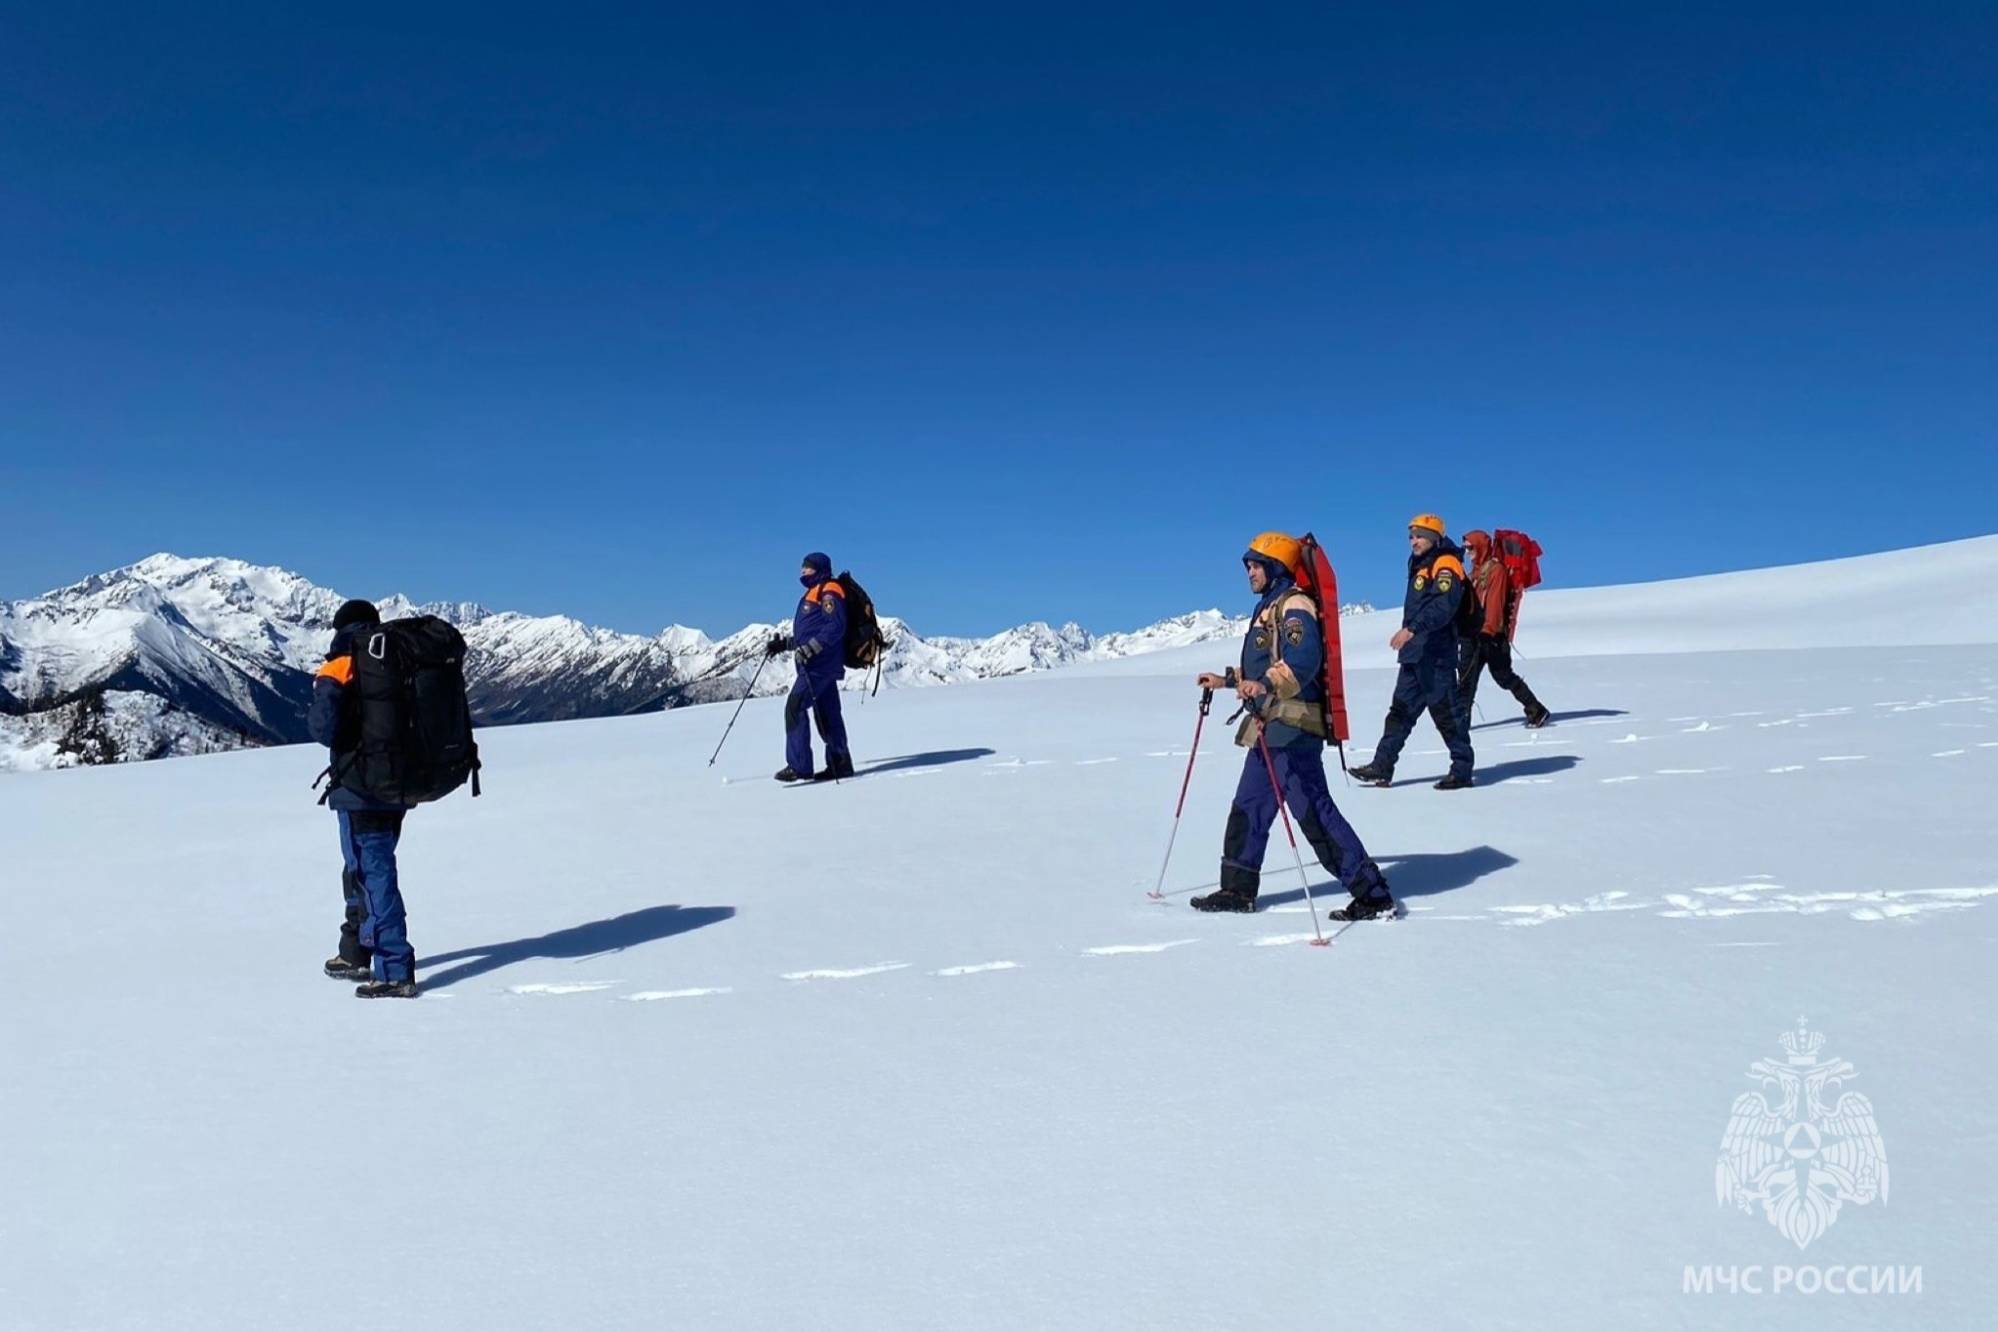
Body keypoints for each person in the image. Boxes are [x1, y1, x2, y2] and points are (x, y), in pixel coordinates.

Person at [1191, 533, 1395, 920]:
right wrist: (1228, 680)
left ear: (1276, 565)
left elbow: (1302, 660)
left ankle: (1372, 893)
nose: (1249, 572)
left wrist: (1264, 684)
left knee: (1314, 811)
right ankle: (1237, 889)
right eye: (1248, 565)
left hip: (1294, 727)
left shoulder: (1295, 604)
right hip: (1271, 727)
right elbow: (1263, 664)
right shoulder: (1269, 607)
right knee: (1249, 806)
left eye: (1255, 565)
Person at [308, 599, 419, 998]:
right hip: (397, 785)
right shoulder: (398, 657)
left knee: (373, 875)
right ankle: (355, 951)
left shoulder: (342, 660)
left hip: (358, 787)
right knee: (362, 872)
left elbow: (323, 727)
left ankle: (393, 968)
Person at [1348, 514, 1477, 789]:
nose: (1413, 541)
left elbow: (1444, 606)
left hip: (1436, 655)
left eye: (1419, 536)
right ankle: (1382, 766)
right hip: (1415, 654)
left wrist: (1412, 629)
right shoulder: (1420, 564)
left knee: (1446, 713)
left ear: (1433, 538)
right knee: (1400, 713)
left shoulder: (1446, 563)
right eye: (1411, 536)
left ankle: (1462, 769)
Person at [766, 552, 855, 783]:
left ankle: (799, 765)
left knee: (794, 707)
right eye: (802, 567)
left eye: (808, 567)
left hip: (820, 664)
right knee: (828, 714)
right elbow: (812, 632)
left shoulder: (830, 589)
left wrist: (812, 648)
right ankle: (840, 762)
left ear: (819, 568)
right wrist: (785, 644)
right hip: (816, 662)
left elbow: (835, 626)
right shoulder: (814, 592)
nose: (802, 571)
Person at [1458, 529, 1551, 728]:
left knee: (1503, 676)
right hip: (1472, 635)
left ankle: (1536, 709)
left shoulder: (1496, 570)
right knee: (1466, 679)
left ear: (1480, 546)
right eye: (1465, 548)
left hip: (1491, 637)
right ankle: (1461, 723)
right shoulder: (1473, 573)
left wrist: (1488, 631)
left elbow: (1495, 603)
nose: (1468, 552)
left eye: (1470, 548)